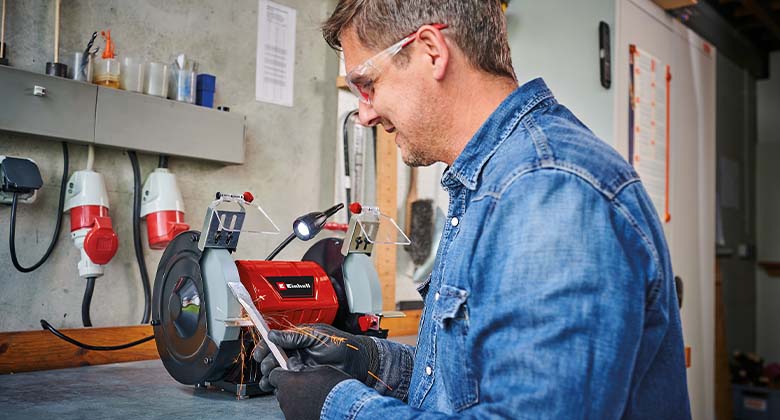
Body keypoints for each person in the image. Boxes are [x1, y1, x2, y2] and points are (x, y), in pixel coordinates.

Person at [256, 1, 691, 419]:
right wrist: (364, 359)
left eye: (367, 84)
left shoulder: (549, 190)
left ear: (431, 51)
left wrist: (340, 407)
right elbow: (463, 386)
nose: (365, 112)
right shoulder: (487, 186)